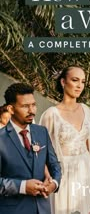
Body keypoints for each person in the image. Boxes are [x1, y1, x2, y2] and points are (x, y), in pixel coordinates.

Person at [39, 65, 90, 214]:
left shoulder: (85, 109)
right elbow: (41, 150)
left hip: (86, 170)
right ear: (63, 82)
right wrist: (49, 177)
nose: (79, 85)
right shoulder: (51, 114)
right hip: (63, 173)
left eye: (82, 81)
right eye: (75, 80)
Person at [0, 83, 61, 214]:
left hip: (43, 209)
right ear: (11, 109)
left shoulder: (42, 132)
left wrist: (54, 183)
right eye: (25, 106)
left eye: (33, 105)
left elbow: (54, 164)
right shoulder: (1, 139)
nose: (32, 111)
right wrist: (22, 187)